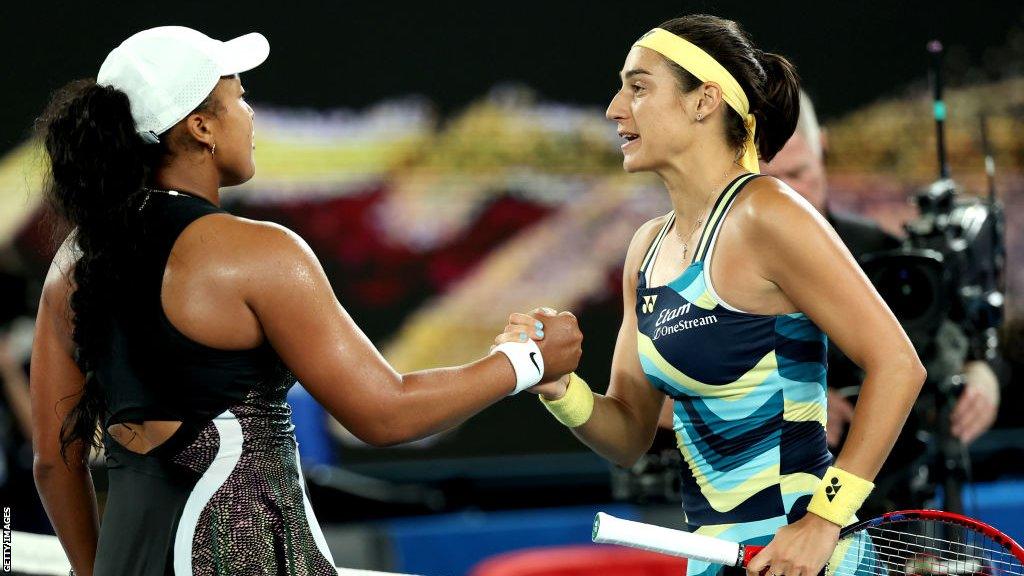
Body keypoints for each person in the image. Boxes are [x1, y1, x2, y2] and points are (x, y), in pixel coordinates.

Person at [30, 27, 582, 576]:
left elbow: (55, 463)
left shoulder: (71, 264)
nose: (251, 117)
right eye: (239, 99)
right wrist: (526, 362)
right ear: (201, 127)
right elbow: (385, 413)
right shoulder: (257, 252)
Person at [499, 14, 924, 576]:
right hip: (719, 561)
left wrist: (824, 521)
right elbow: (628, 433)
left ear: (704, 100)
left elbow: (898, 364)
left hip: (806, 560)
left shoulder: (767, 213)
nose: (614, 108)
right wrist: (556, 386)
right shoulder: (646, 250)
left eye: (638, 87)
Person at [762, 90, 1001, 455]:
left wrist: (984, 376)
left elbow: (960, 336)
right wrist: (779, 401)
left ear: (822, 146)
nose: (787, 194)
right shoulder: (710, 267)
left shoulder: (884, 253)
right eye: (769, 181)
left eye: (797, 173)